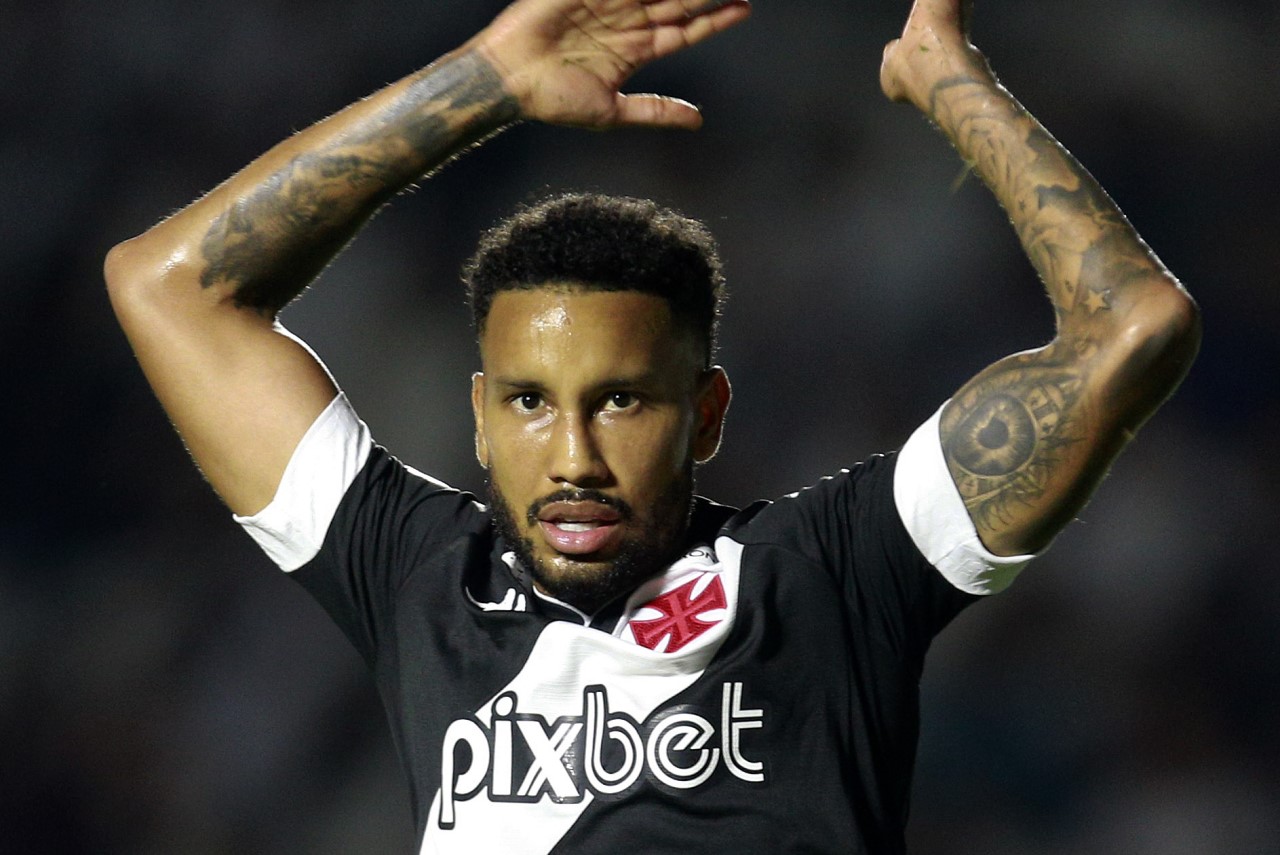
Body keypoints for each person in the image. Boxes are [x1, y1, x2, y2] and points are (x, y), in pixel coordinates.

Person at [105, 0, 1200, 851]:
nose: (573, 457)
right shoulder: (419, 578)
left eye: (621, 399)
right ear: (478, 419)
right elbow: (168, 288)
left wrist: (948, 80)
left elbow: (1132, 330)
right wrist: (483, 81)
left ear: (706, 412)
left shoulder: (832, 571)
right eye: (530, 402)